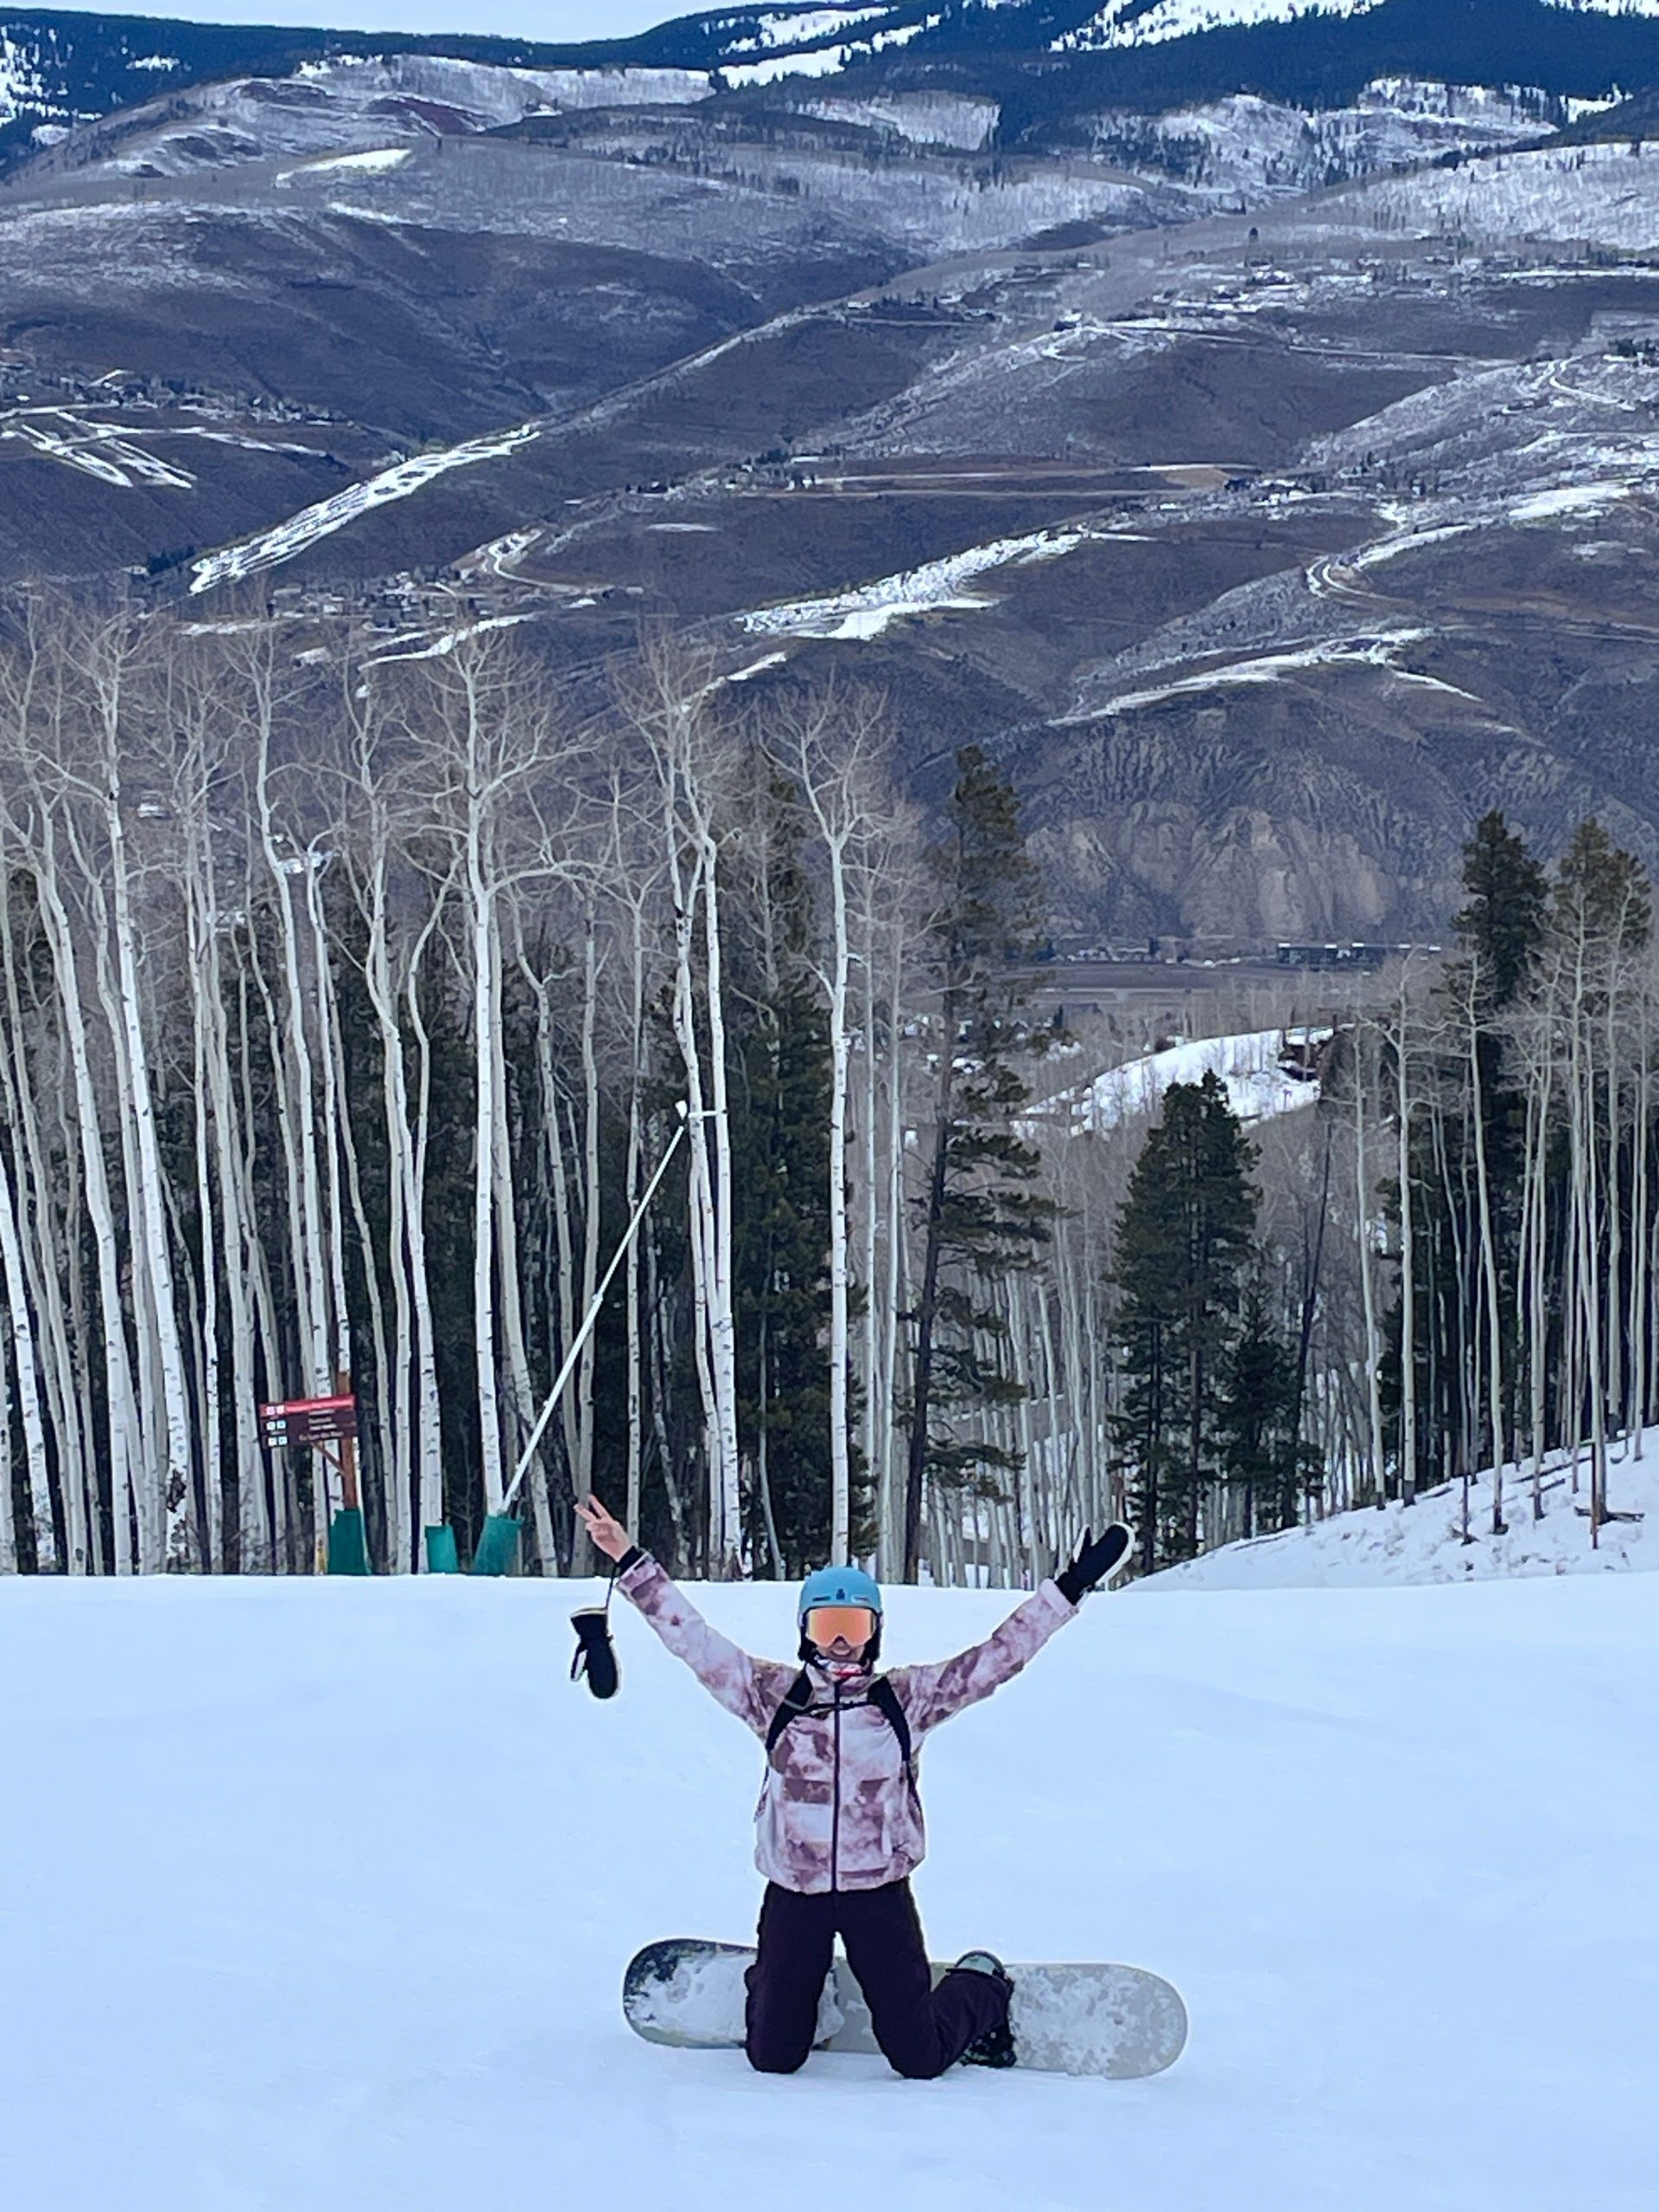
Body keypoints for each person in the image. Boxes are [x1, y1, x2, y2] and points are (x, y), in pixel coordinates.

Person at [574, 1494, 1131, 2080]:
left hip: (878, 1895)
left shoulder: (906, 1700)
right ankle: (788, 1988)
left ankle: (981, 1984)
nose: (840, 1642)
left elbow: (996, 1659)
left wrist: (1068, 1589)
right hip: (795, 1893)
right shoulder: (773, 1696)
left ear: (875, 1632)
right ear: (806, 1632)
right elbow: (693, 1639)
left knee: (920, 2058)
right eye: (827, 1626)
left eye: (854, 1626)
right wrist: (629, 1560)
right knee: (773, 2057)